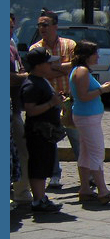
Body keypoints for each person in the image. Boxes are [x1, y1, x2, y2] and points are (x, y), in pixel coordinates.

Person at [30, 10, 78, 189]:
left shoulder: (69, 45)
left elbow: (75, 65)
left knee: (76, 137)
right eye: (39, 25)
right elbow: (40, 73)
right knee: (50, 140)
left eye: (45, 24)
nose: (42, 28)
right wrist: (60, 68)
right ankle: (54, 175)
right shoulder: (36, 49)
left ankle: (85, 173)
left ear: (55, 26)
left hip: (69, 98)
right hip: (49, 101)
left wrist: (53, 66)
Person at [69, 40, 110, 203]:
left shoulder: (79, 70)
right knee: (97, 153)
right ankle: (103, 191)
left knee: (85, 153)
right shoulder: (82, 71)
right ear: (87, 55)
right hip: (87, 117)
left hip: (85, 116)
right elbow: (84, 96)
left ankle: (85, 188)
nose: (98, 56)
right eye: (95, 53)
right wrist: (102, 89)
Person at [19, 47, 65, 213]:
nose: (50, 65)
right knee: (38, 166)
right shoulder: (31, 84)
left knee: (44, 164)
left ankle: (42, 197)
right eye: (47, 62)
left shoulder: (42, 80)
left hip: (46, 131)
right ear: (38, 65)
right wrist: (51, 103)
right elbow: (30, 110)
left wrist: (56, 100)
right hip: (38, 131)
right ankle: (38, 200)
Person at [10, 13, 32, 206]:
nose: (10, 31)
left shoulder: (12, 46)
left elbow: (18, 70)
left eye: (11, 27)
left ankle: (22, 192)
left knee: (21, 151)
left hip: (15, 108)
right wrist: (24, 75)